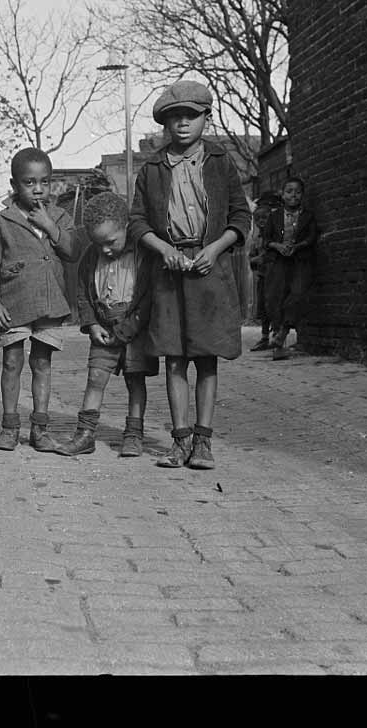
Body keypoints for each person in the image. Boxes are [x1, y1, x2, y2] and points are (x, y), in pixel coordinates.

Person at [129, 80, 251, 471]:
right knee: (174, 358)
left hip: (210, 272)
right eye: (174, 118)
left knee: (206, 358)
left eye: (191, 116)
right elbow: (136, 221)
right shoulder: (151, 169)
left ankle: (203, 441)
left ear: (206, 118)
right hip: (168, 273)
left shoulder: (220, 162)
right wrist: (164, 250)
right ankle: (179, 441)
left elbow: (239, 215)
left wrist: (214, 249)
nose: (182, 124)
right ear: (165, 124)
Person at [0, 148, 80, 452]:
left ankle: (40, 429)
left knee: (42, 362)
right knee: (12, 362)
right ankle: (10, 427)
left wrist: (51, 226)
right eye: (29, 182)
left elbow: (73, 251)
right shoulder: (3, 220)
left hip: (50, 303)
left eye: (44, 182)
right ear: (14, 185)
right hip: (14, 304)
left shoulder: (60, 216)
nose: (38, 189)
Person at [53, 191, 157, 458]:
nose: (105, 250)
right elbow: (83, 294)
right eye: (98, 244)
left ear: (125, 227)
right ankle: (85, 434)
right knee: (95, 378)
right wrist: (90, 324)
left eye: (110, 242)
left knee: (136, 381)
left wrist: (127, 330)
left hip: (134, 330)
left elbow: (147, 300)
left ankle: (133, 434)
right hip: (104, 327)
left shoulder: (143, 255)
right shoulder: (91, 256)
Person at [262, 176, 319, 360]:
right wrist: (278, 246)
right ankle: (277, 338)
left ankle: (284, 333)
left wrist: (297, 246)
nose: (293, 195)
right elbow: (266, 239)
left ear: (302, 195)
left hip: (299, 260)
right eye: (289, 191)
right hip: (278, 261)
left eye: (297, 192)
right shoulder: (274, 216)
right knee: (274, 297)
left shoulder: (308, 216)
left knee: (297, 294)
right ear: (282, 194)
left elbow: (312, 237)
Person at [247, 191, 281, 351]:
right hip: (262, 276)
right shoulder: (256, 238)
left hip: (274, 277)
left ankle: (277, 336)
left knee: (274, 305)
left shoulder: (274, 236)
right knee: (263, 308)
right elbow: (251, 258)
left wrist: (265, 257)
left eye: (264, 218)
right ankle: (264, 336)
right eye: (258, 219)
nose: (261, 222)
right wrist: (256, 259)